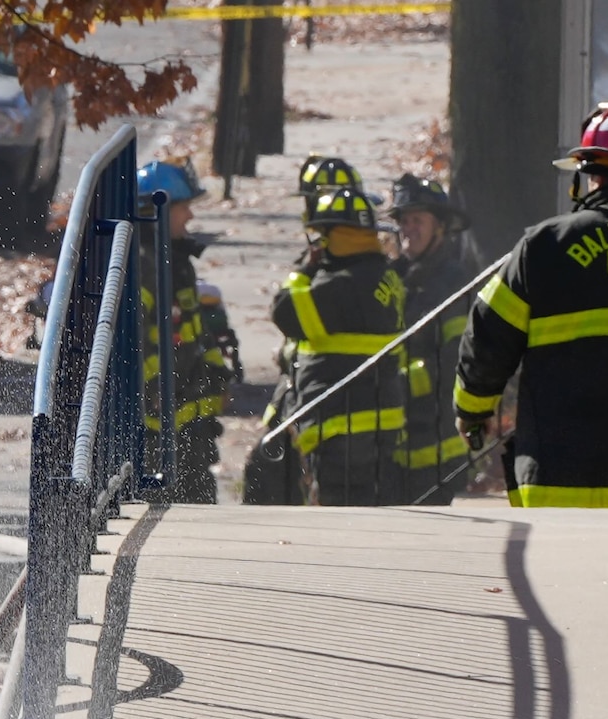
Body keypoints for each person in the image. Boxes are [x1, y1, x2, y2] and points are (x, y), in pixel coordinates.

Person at [453, 101, 608, 510]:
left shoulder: (543, 248)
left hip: (561, 487)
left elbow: (489, 334)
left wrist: (472, 409)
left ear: (589, 175)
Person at [266, 157, 434, 507]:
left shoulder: (336, 286)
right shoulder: (385, 277)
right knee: (372, 507)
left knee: (337, 511)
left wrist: (304, 270)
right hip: (382, 419)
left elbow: (284, 311)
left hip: (337, 423)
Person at [139, 160, 241, 501]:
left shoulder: (172, 261)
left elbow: (193, 332)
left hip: (188, 429)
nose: (190, 218)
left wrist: (216, 373)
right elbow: (130, 345)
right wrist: (153, 388)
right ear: (156, 212)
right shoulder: (142, 268)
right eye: (184, 208)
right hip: (155, 436)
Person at [386, 172, 481, 491]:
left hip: (435, 444)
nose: (408, 230)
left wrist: (395, 384)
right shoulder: (395, 276)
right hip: (396, 435)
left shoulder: (452, 284)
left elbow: (454, 362)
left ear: (439, 227)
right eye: (404, 222)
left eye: (418, 221)